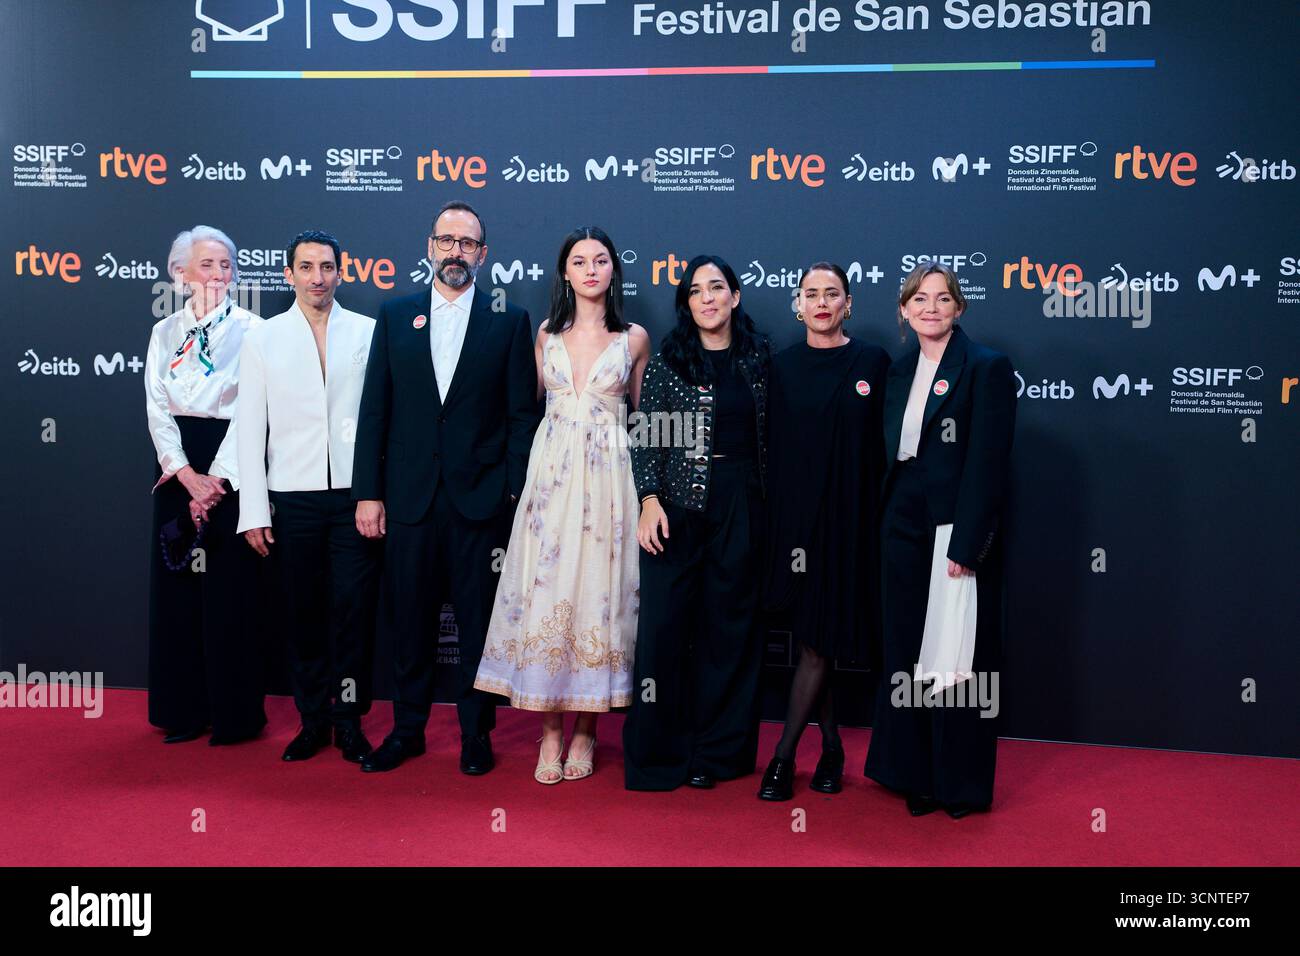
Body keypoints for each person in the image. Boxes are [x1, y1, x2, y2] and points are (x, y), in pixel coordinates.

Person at [352, 200, 539, 775]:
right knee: (408, 619)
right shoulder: (394, 314)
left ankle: (475, 735)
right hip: (407, 500)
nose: (455, 251)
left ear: (483, 255)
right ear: (430, 247)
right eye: (446, 240)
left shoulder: (509, 319)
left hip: (478, 503)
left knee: (479, 622)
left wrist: (510, 493)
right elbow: (375, 411)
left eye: (467, 243)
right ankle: (407, 731)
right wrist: (368, 492)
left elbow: (518, 419)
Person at [474, 227, 650, 784]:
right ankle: (550, 730)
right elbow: (529, 410)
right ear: (565, 273)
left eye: (601, 260)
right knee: (548, 592)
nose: (591, 269)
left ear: (613, 271)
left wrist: (649, 496)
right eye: (580, 261)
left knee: (599, 596)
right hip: (550, 480)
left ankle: (587, 730)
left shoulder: (634, 338)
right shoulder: (546, 333)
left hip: (609, 482)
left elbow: (644, 420)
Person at [864, 261, 1016, 818]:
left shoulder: (986, 368)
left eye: (942, 298)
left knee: (955, 659)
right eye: (919, 298)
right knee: (906, 652)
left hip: (953, 527)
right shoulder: (897, 372)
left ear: (959, 307)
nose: (931, 307)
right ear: (903, 310)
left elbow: (988, 464)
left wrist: (967, 546)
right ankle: (915, 776)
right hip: (899, 522)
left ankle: (959, 784)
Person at [623, 254, 771, 791]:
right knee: (664, 633)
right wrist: (649, 499)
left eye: (717, 287)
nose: (707, 298)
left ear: (735, 295)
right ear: (686, 303)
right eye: (695, 291)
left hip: (743, 505)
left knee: (728, 634)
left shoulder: (758, 358)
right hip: (678, 510)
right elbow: (648, 438)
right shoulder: (670, 359)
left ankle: (718, 755)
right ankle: (660, 756)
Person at [236, 229, 380, 764]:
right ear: (288, 275)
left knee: (353, 611)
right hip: (289, 496)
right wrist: (253, 509)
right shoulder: (263, 338)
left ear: (341, 272)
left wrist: (374, 493)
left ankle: (348, 722)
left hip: (353, 496)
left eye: (326, 266)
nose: (317, 277)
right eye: (306, 267)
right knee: (303, 613)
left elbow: (380, 422)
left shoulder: (368, 332)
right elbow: (250, 428)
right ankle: (312, 719)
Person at [758, 262, 890, 800]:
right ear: (797, 304)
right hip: (795, 526)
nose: (820, 302)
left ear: (848, 303)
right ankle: (828, 749)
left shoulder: (873, 363)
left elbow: (887, 447)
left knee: (819, 640)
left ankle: (784, 757)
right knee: (816, 638)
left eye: (831, 293)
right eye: (810, 293)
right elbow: (772, 450)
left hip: (851, 522)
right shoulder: (780, 367)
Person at [144, 224, 266, 745]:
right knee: (178, 595)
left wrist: (216, 479)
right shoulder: (163, 331)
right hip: (178, 472)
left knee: (229, 596)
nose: (219, 274)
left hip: (230, 469)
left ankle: (234, 715)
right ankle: (182, 711)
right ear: (180, 273)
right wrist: (184, 473)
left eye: (226, 265)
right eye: (207, 265)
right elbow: (155, 405)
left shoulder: (254, 329)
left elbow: (252, 411)